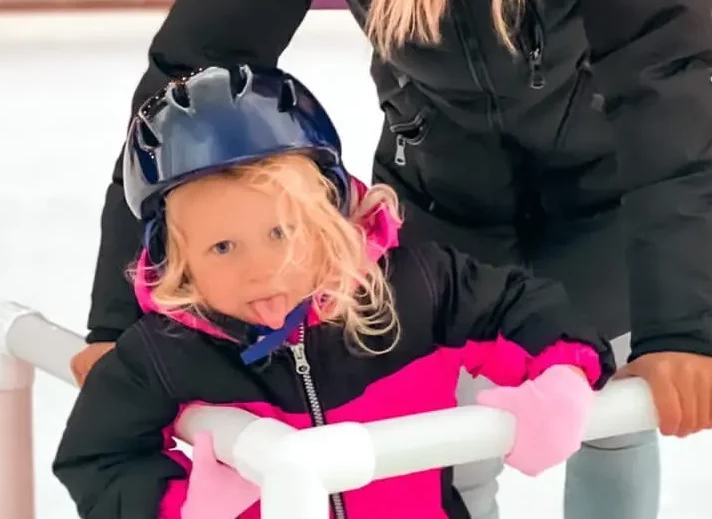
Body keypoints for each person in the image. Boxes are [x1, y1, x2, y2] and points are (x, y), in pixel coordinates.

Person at [69, 0, 712, 517]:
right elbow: (193, 74)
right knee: (446, 454)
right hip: (441, 206)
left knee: (611, 428)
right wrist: (118, 317)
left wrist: (685, 329)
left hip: (608, 203)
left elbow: (662, 76)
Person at [54, 65, 616, 519]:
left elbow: (520, 306)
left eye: (283, 231)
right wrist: (183, 507)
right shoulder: (165, 351)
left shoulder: (410, 287)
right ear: (176, 261)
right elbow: (99, 458)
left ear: (331, 215)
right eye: (223, 248)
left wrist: (565, 380)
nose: (261, 269)